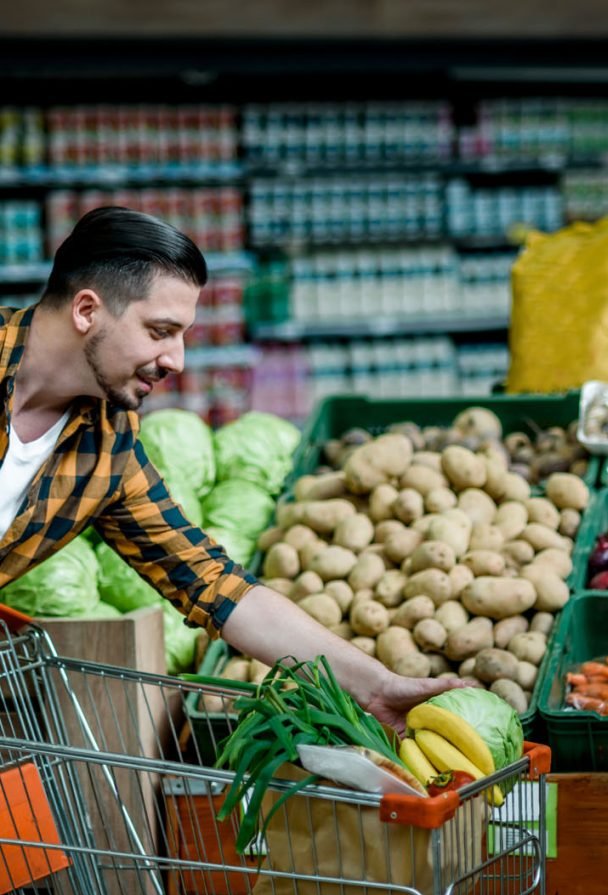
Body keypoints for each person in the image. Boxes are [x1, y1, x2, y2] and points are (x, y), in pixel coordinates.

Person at [0, 206, 458, 732]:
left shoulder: (106, 448)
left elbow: (212, 583)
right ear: (86, 311)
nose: (177, 360)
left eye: (182, 336)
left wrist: (375, 686)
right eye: (160, 331)